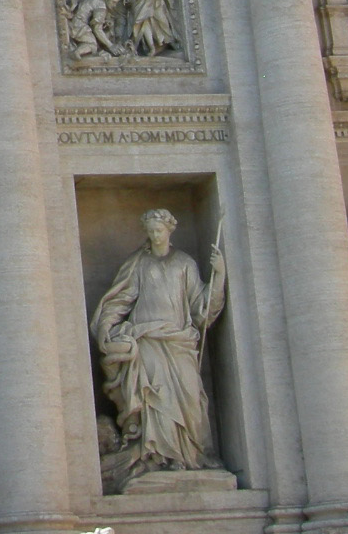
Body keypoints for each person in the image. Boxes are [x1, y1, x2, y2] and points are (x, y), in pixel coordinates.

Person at [90, 209, 226, 490]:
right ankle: (157, 456)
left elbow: (201, 308)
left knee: (189, 398)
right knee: (154, 399)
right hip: (147, 341)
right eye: (150, 231)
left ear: (169, 231)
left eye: (159, 231)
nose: (155, 235)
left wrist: (220, 275)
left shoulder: (185, 264)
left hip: (179, 342)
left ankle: (190, 455)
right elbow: (120, 300)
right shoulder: (137, 263)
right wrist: (107, 328)